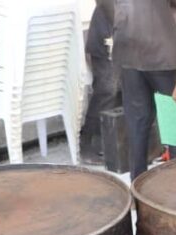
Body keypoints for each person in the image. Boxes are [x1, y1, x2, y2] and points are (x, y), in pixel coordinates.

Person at [114, 0, 176, 178]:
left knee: (137, 123)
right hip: (162, 50)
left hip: (127, 51)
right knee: (175, 120)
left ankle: (137, 182)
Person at [80, 0, 119, 163]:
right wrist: (120, 27)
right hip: (108, 33)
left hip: (134, 31)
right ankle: (88, 142)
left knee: (128, 89)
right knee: (107, 90)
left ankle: (116, 143)